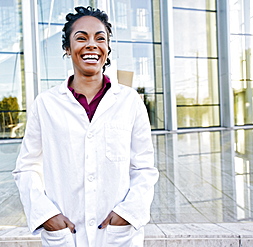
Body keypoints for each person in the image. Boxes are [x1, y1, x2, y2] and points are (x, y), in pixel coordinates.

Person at [12, 6, 159, 247]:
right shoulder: (46, 104)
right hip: (66, 234)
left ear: (107, 49)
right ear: (67, 49)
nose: (91, 44)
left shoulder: (130, 101)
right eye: (81, 38)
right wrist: (47, 216)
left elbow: (144, 168)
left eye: (100, 38)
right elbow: (27, 168)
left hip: (118, 235)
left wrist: (127, 215)